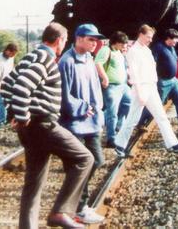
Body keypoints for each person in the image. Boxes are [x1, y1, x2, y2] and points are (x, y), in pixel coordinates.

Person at [4, 22, 92, 229]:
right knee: (84, 158)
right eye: (65, 40)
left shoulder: (30, 56)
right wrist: (22, 114)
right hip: (43, 125)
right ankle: (61, 212)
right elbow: (22, 87)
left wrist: (13, 113)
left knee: (33, 182)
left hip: (31, 129)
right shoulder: (45, 58)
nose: (64, 44)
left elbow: (7, 85)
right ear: (59, 40)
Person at [113, 25, 178, 158]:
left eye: (151, 37)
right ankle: (119, 146)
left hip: (151, 87)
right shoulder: (133, 51)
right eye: (148, 37)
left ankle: (173, 144)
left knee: (161, 116)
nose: (150, 40)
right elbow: (134, 73)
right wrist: (140, 92)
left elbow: (152, 69)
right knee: (133, 118)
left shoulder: (146, 50)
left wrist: (153, 85)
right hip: (140, 88)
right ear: (140, 35)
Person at [59, 23, 106, 224]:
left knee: (97, 160)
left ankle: (77, 205)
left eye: (96, 40)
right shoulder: (66, 62)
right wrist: (81, 108)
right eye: (91, 39)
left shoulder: (89, 58)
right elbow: (63, 96)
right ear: (78, 38)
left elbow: (95, 88)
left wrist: (99, 110)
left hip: (92, 121)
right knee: (79, 166)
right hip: (75, 123)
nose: (95, 43)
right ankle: (79, 208)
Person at [139, 28, 178, 134]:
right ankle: (141, 122)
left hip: (173, 81)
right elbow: (152, 64)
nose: (177, 41)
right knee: (156, 104)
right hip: (163, 81)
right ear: (169, 38)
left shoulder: (171, 47)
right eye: (175, 39)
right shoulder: (158, 48)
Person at [95, 31, 131, 148]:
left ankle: (118, 125)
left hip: (123, 86)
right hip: (112, 86)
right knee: (112, 113)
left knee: (129, 103)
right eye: (122, 43)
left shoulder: (118, 51)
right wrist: (105, 78)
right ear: (115, 42)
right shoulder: (106, 50)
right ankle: (111, 138)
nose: (124, 46)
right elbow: (98, 63)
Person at [0, 43, 18, 127]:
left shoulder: (11, 57)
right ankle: (0, 122)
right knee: (2, 101)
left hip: (6, 84)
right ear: (7, 51)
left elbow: (11, 70)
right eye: (12, 54)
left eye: (14, 55)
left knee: (4, 103)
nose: (12, 56)